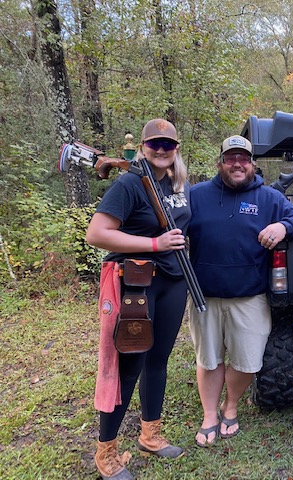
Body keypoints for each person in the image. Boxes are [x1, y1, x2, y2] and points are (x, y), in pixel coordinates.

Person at [188, 135, 293, 447]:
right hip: (205, 296)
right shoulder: (196, 195)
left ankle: (230, 407)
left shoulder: (269, 198)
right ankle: (209, 416)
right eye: (231, 158)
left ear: (252, 164)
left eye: (243, 158)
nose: (237, 164)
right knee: (209, 359)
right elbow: (167, 224)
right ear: (220, 163)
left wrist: (283, 227)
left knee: (247, 362)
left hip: (250, 297)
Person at [86, 119, 191, 480]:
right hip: (136, 285)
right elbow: (96, 234)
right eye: (155, 144)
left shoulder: (178, 185)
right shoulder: (130, 183)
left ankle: (151, 435)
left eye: (168, 144)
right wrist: (153, 244)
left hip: (173, 280)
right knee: (129, 365)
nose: (162, 150)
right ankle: (107, 451)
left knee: (157, 360)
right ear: (144, 146)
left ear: (176, 148)